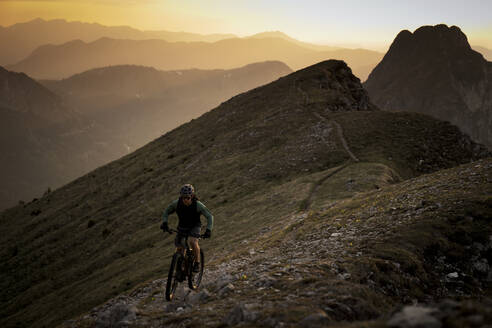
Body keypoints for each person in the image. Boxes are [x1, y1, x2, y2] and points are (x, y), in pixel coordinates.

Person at [160, 184, 213, 272]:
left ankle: (197, 263)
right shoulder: (177, 203)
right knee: (180, 247)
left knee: (192, 241)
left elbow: (210, 216)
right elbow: (166, 211)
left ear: (192, 196)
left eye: (187, 198)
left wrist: (208, 230)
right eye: (183, 197)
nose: (185, 200)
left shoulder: (198, 205)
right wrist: (165, 223)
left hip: (194, 226)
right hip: (182, 227)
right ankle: (181, 266)